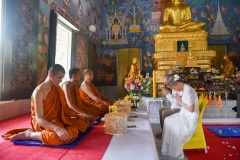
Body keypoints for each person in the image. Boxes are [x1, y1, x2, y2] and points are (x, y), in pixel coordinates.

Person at [3, 64, 89, 145]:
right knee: (60, 138)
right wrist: (56, 128)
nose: (61, 81)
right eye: (59, 78)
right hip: (43, 123)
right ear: (51, 75)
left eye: (62, 78)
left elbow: (65, 109)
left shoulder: (57, 88)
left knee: (82, 123)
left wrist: (78, 115)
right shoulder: (39, 92)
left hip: (57, 120)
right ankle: (29, 135)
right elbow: (39, 118)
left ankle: (47, 133)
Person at [160, 72, 199, 158]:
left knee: (169, 120)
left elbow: (191, 110)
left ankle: (171, 145)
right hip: (184, 113)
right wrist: (179, 100)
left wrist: (180, 101)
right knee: (167, 120)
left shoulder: (188, 90)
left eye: (174, 88)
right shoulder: (182, 89)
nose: (175, 89)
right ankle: (168, 145)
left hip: (190, 117)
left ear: (177, 84)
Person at [155, 75, 182, 139]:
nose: (167, 86)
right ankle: (163, 131)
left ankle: (167, 135)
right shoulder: (173, 87)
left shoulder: (178, 87)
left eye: (167, 84)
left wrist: (167, 94)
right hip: (174, 106)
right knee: (161, 110)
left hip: (180, 108)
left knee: (164, 113)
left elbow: (177, 102)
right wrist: (168, 94)